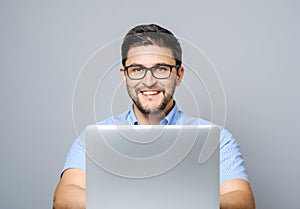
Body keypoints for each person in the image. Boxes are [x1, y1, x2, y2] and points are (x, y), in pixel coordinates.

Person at [53, 24, 255, 209]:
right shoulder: (94, 138)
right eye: (137, 69)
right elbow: (63, 199)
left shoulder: (217, 139)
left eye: (161, 69)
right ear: (125, 75)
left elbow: (242, 200)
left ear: (179, 75)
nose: (149, 81)